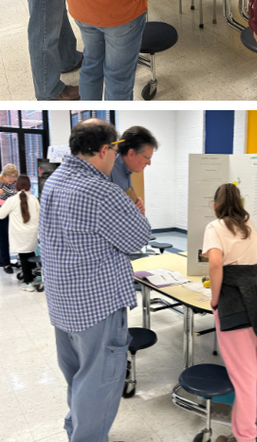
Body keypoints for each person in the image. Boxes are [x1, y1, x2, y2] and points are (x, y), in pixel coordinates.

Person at [39, 119, 150, 442]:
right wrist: (137, 214)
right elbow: (137, 239)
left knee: (78, 377)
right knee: (100, 382)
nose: (115, 158)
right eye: (113, 151)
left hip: (63, 303)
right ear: (104, 150)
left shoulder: (55, 179)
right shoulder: (101, 191)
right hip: (97, 306)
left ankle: (76, 430)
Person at [203, 182, 257, 442]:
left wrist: (215, 300)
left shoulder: (214, 227)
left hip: (236, 305)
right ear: (240, 204)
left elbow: (216, 263)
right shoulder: (249, 227)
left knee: (244, 377)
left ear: (215, 205)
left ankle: (245, 437)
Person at [0, 174, 42, 291]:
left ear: (16, 185)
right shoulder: (34, 199)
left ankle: (28, 282)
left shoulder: (12, 200)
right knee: (30, 253)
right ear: (29, 186)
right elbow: (40, 216)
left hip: (19, 234)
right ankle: (35, 277)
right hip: (32, 233)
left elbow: (1, 214)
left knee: (23, 255)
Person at [110, 126, 158, 214]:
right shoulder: (109, 171)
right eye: (147, 158)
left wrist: (136, 202)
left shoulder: (127, 170)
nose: (149, 163)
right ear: (131, 154)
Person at [0, 165, 17, 274]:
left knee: (9, 236)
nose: (12, 179)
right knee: (3, 237)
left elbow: (14, 194)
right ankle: (6, 264)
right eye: (10, 176)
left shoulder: (13, 183)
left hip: (11, 212)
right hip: (1, 213)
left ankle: (3, 260)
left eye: (14, 177)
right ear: (4, 175)